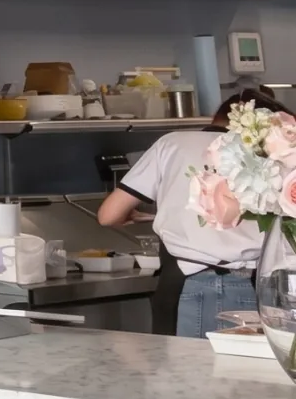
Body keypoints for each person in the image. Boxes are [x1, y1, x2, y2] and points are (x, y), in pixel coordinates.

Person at [97, 87, 283, 336]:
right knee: (243, 372)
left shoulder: (172, 143)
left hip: (188, 285)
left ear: (217, 116)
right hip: (255, 287)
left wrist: (132, 216)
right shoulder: (275, 154)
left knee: (189, 371)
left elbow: (107, 215)